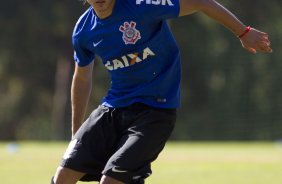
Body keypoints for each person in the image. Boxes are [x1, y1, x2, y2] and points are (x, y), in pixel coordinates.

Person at [52, 0, 272, 184]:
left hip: (155, 112)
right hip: (112, 109)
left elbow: (200, 2)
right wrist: (76, 135)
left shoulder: (142, 5)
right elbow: (81, 78)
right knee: (63, 177)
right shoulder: (83, 30)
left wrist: (243, 32)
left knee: (110, 181)